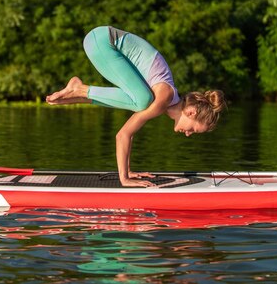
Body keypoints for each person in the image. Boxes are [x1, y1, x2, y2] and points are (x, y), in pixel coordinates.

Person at [46, 26, 226, 187]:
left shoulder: (164, 98)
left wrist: (128, 170)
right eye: (193, 130)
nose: (188, 134)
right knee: (142, 101)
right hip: (101, 41)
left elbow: (129, 132)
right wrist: (124, 179)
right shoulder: (164, 97)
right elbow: (123, 134)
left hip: (101, 41)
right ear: (191, 111)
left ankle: (78, 91)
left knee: (140, 102)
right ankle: (79, 89)